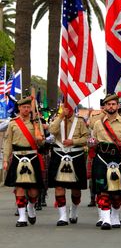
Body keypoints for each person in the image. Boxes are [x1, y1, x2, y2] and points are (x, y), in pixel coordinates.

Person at [92, 93, 121, 230]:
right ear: (104, 106)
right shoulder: (98, 123)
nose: (111, 106)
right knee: (103, 190)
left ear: (117, 106)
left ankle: (115, 216)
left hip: (118, 158)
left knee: (117, 193)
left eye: (113, 104)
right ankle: (106, 219)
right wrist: (90, 144)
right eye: (108, 104)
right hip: (101, 158)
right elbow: (92, 140)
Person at [3, 96, 44, 227]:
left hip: (32, 157)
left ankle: (31, 206)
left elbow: (42, 142)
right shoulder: (13, 123)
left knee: (33, 191)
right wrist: (5, 159)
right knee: (19, 187)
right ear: (19, 108)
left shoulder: (36, 122)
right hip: (17, 157)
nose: (26, 109)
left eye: (28, 107)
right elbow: (7, 142)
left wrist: (40, 138)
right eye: (24, 107)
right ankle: (22, 217)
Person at [48, 105, 88, 226]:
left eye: (69, 107)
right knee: (59, 186)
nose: (67, 109)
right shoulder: (57, 120)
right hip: (59, 155)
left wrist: (73, 141)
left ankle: (74, 210)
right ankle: (62, 216)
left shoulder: (80, 121)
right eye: (65, 107)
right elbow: (51, 131)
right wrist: (61, 117)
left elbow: (86, 137)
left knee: (76, 189)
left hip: (76, 156)